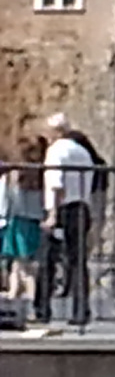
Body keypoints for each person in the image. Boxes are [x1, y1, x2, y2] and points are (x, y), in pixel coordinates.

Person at [42, 114, 96, 325]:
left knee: (48, 259)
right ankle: (81, 310)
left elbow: (56, 183)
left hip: (62, 209)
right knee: (78, 261)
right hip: (82, 207)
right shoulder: (82, 151)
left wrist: (52, 215)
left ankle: (42, 309)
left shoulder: (55, 151)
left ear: (56, 132)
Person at [1, 139, 45, 311]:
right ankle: (13, 297)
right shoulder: (40, 174)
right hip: (34, 219)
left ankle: (30, 303)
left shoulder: (15, 175)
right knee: (20, 265)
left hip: (18, 219)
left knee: (22, 265)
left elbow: (7, 200)